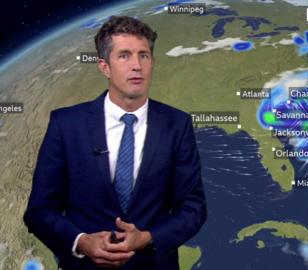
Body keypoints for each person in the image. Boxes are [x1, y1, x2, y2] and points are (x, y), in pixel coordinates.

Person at [23, 16, 207, 269]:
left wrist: (148, 238)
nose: (137, 66)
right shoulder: (66, 125)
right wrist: (82, 242)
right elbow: (40, 212)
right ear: (104, 66)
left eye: (144, 55)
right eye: (124, 55)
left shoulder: (177, 124)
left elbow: (193, 208)